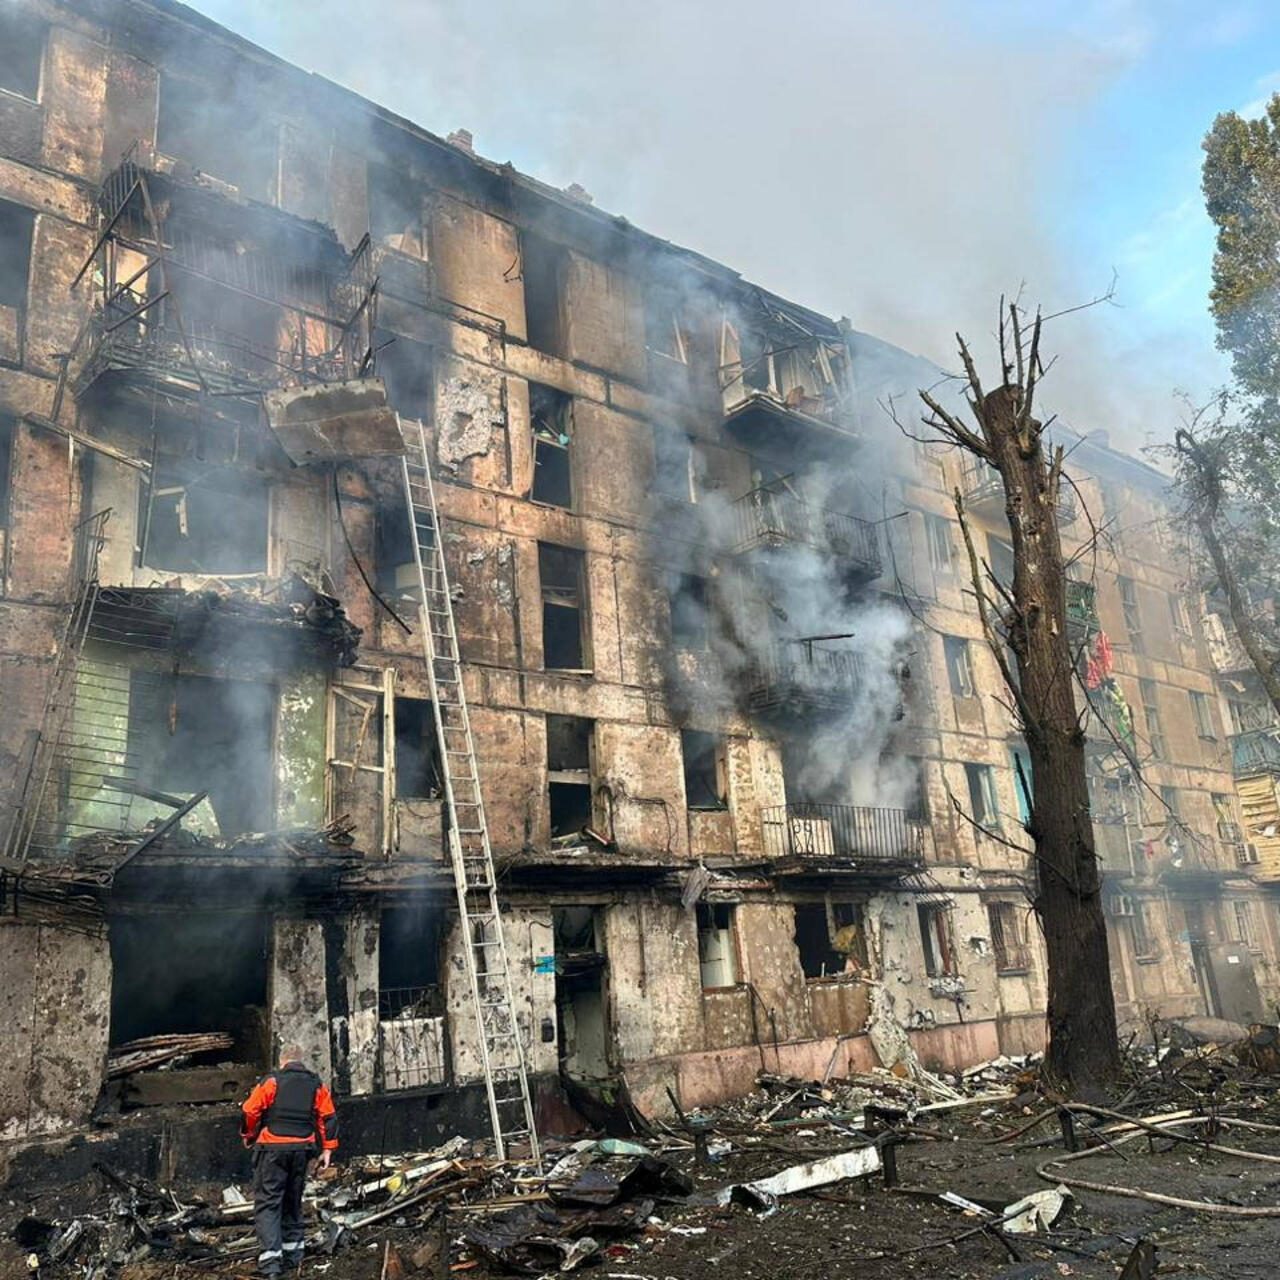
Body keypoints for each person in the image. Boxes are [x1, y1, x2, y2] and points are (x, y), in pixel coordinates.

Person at [240, 1044, 339, 1276]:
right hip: (302, 1149)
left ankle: (271, 1264)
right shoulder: (316, 1084)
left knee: (268, 1202)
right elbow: (328, 1117)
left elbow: (250, 1110)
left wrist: (249, 1135)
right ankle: (294, 1257)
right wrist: (327, 1150)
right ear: (301, 1061)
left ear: (281, 1061)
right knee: (293, 1200)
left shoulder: (272, 1082)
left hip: (272, 1150)